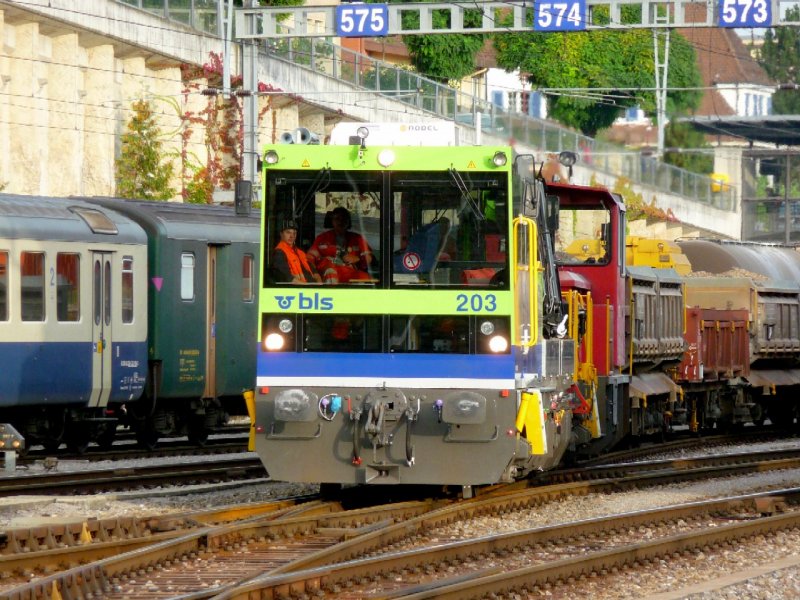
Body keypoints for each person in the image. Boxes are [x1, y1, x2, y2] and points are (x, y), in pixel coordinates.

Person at [308, 206, 373, 283]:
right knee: (329, 269)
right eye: (337, 219)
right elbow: (309, 258)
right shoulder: (322, 238)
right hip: (327, 274)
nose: (340, 221)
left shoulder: (358, 239)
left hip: (349, 272)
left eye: (344, 219)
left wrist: (357, 258)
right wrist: (315, 273)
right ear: (332, 221)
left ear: (348, 222)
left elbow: (369, 258)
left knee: (367, 279)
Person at [271, 220, 322, 284]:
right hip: (298, 290)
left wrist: (319, 282)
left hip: (310, 289)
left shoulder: (300, 252)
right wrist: (308, 287)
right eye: (288, 232)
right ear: (281, 234)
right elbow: (287, 278)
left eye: (294, 233)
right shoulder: (279, 252)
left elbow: (314, 272)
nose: (292, 236)